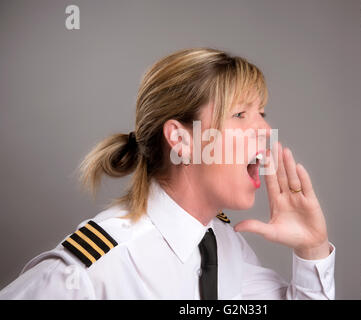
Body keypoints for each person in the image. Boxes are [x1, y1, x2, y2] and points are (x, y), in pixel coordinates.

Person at [0, 47, 335, 299]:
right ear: (181, 139)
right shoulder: (90, 272)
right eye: (239, 114)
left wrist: (312, 249)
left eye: (261, 112)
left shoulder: (223, 246)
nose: (265, 129)